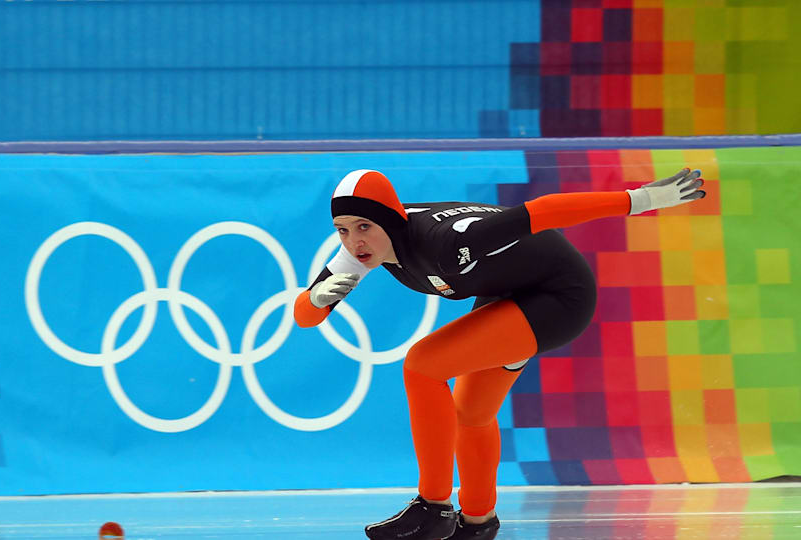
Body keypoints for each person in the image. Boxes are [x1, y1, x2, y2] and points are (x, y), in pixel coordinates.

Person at [293, 168, 705, 540]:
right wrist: (315, 300)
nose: (354, 241)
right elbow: (305, 318)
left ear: (389, 218)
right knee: (471, 411)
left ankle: (433, 506)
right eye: (342, 230)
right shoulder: (360, 250)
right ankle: (477, 523)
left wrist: (643, 200)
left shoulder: (448, 241)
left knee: (423, 365)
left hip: (558, 296)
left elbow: (543, 212)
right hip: (509, 290)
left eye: (363, 225)